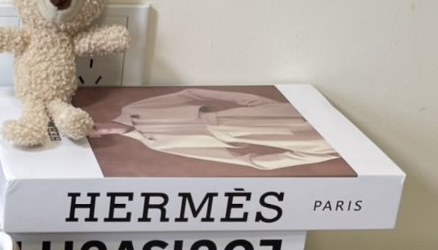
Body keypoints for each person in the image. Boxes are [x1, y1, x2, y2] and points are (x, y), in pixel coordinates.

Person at [88, 87, 342, 170]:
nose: (101, 131)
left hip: (238, 115)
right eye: (95, 135)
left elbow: (190, 94)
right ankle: (334, 147)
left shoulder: (135, 109)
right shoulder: (153, 142)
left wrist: (256, 104)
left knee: (317, 118)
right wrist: (261, 162)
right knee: (323, 145)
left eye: (95, 126)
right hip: (238, 134)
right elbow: (235, 159)